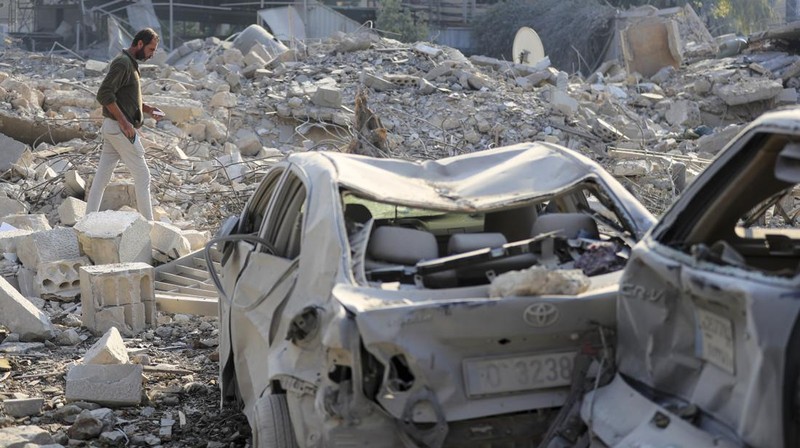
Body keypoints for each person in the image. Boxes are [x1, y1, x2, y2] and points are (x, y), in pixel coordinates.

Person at [86, 28, 164, 221]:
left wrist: (148, 109)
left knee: (102, 178)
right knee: (143, 176)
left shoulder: (130, 63)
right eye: (151, 49)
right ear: (139, 44)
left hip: (113, 129)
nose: (152, 54)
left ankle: (87, 220)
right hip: (120, 129)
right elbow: (104, 94)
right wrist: (125, 122)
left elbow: (125, 97)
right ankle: (149, 226)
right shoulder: (123, 63)